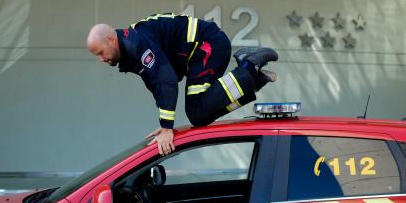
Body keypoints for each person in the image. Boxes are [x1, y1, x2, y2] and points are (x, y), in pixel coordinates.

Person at [86, 13, 278, 155]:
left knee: (197, 111)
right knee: (198, 114)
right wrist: (164, 125)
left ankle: (249, 65)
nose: (101, 60)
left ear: (111, 39)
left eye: (100, 53)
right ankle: (252, 78)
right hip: (201, 51)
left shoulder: (137, 44)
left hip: (208, 45)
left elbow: (166, 80)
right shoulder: (132, 47)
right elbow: (156, 85)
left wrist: (168, 127)